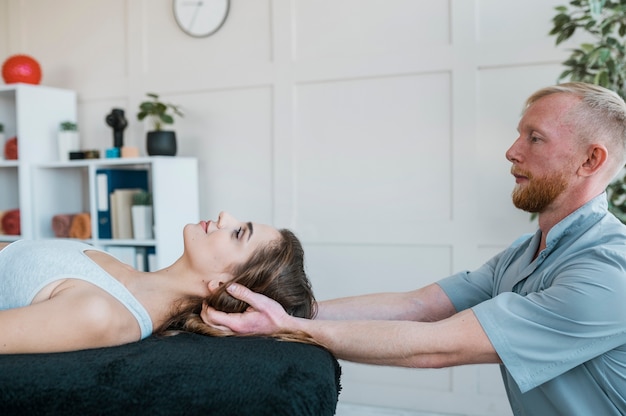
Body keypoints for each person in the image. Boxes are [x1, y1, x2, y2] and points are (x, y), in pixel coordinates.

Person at [202, 82, 626, 415]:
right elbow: (419, 306)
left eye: (535, 138)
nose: (511, 152)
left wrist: (285, 328)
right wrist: (293, 312)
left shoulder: (606, 274)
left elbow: (437, 346)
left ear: (590, 161)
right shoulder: (525, 253)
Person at [0, 211, 316, 354]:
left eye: (238, 233)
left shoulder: (103, 314)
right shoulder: (119, 269)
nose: (224, 216)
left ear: (226, 284)